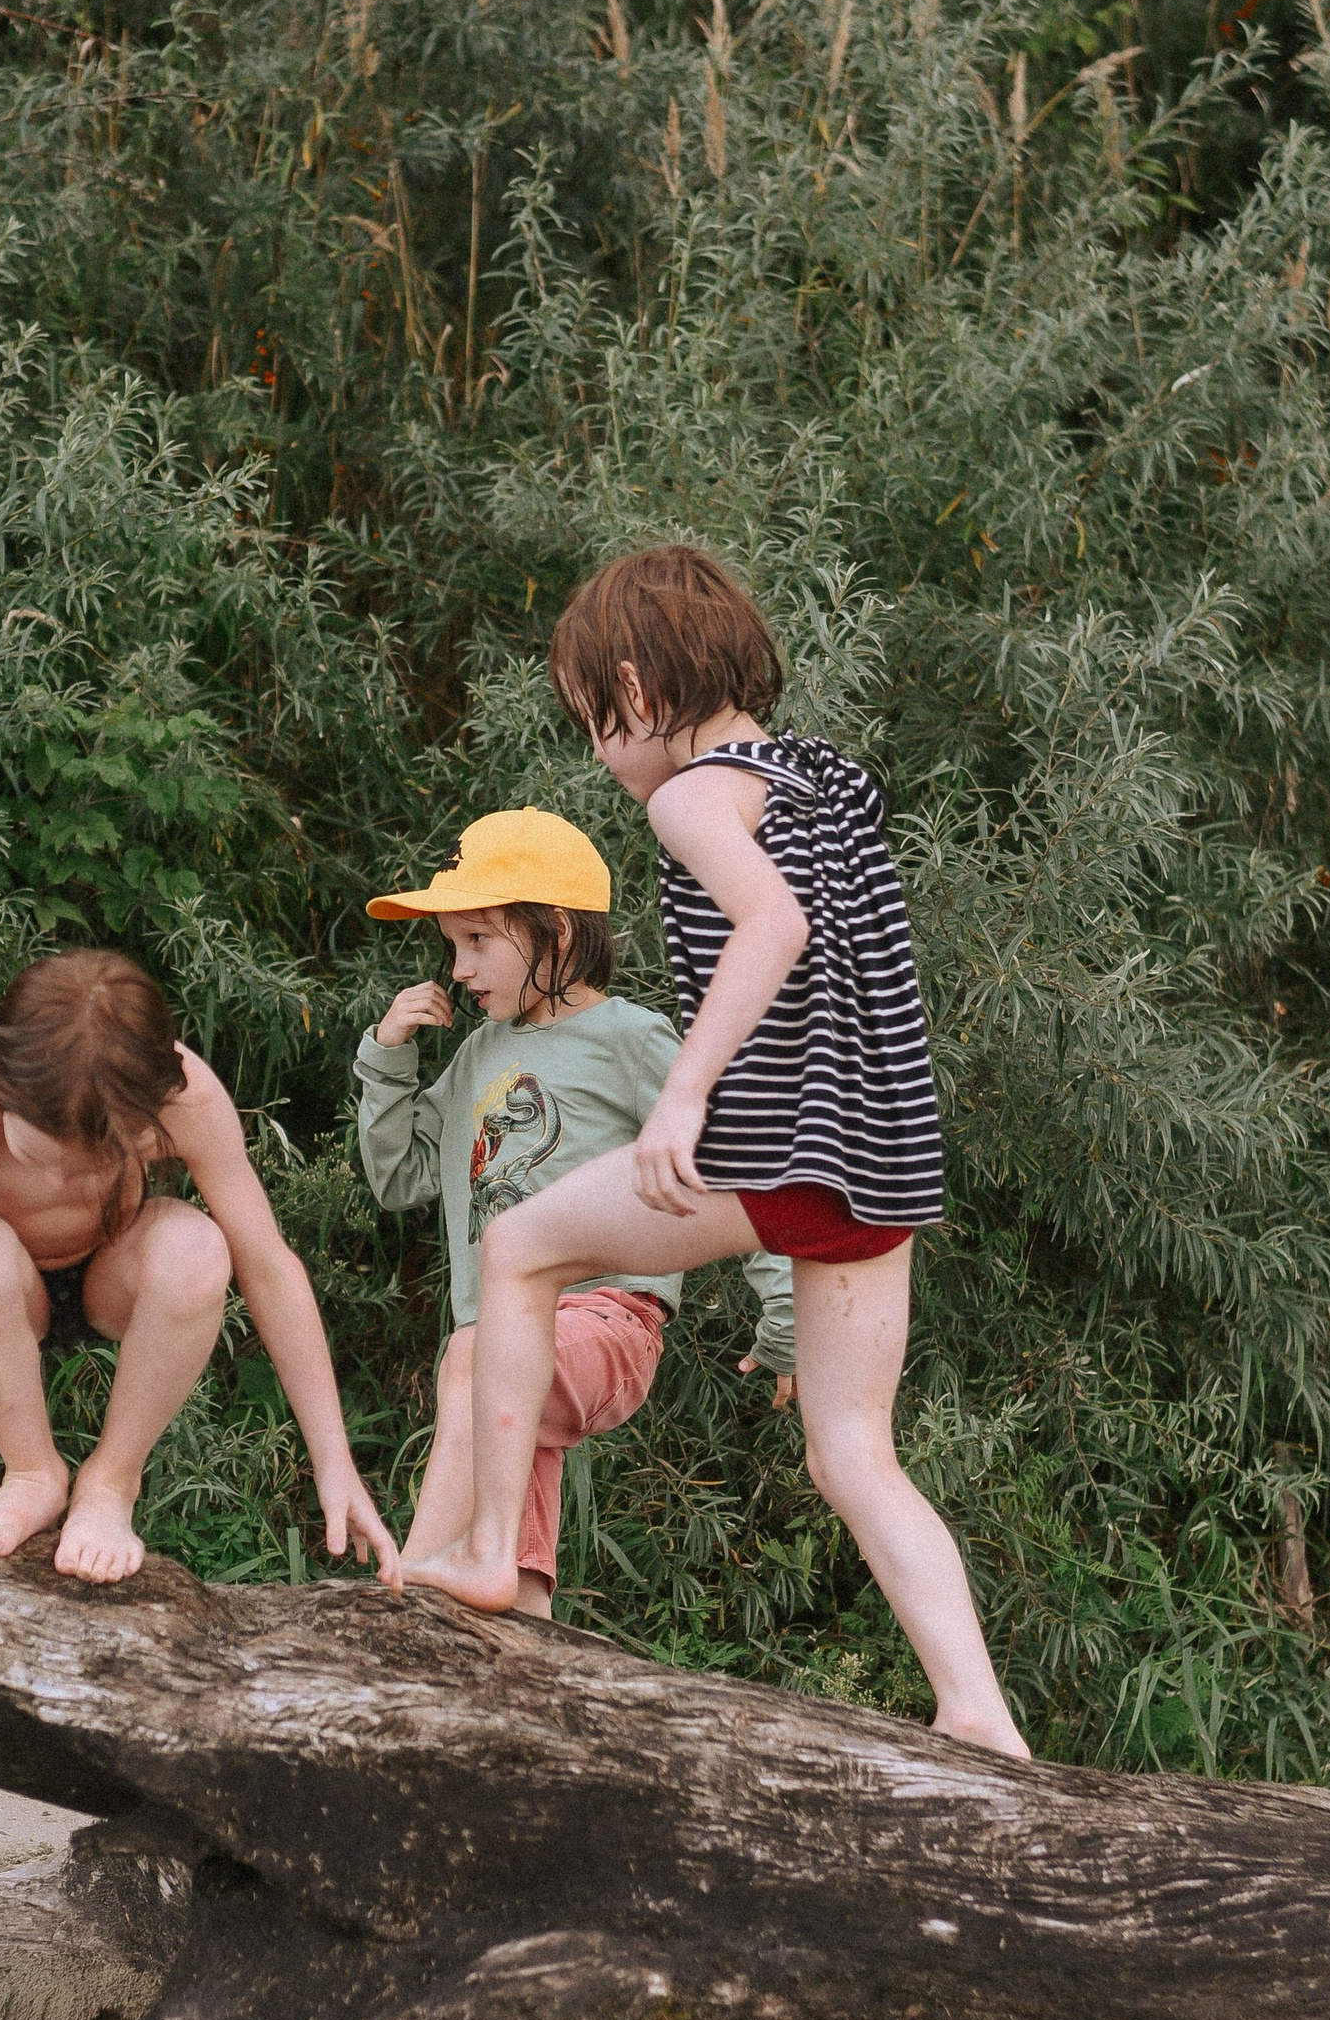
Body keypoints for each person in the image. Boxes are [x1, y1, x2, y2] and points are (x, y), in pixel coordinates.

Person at [398, 552, 1028, 1763]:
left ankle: (485, 1550)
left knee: (518, 1245)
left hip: (779, 1138)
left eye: (593, 724)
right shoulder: (825, 776)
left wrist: (685, 1096)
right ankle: (978, 1710)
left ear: (633, 688)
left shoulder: (691, 795)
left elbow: (774, 925)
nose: (599, 753)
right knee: (852, 1453)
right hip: (881, 1155)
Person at [0, 947, 395, 1621]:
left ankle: (110, 1482)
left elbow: (269, 1265)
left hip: (112, 1272)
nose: (56, 1187)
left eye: (88, 1169)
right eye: (36, 1158)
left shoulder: (183, 1097)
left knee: (198, 1248)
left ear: (149, 1115)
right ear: (1, 1087)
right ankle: (34, 1473)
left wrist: (333, 1459)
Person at [355, 806, 794, 1617]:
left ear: (554, 932)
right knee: (513, 1583)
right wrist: (388, 1057)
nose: (457, 969)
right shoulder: (478, 1053)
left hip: (607, 1319)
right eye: (451, 946)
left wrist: (788, 1312)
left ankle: (396, 1600)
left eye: (478, 941)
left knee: (473, 1358)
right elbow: (402, 1176)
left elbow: (732, 1159)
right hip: (508, 1349)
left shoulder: (629, 1037)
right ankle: (516, 1678)